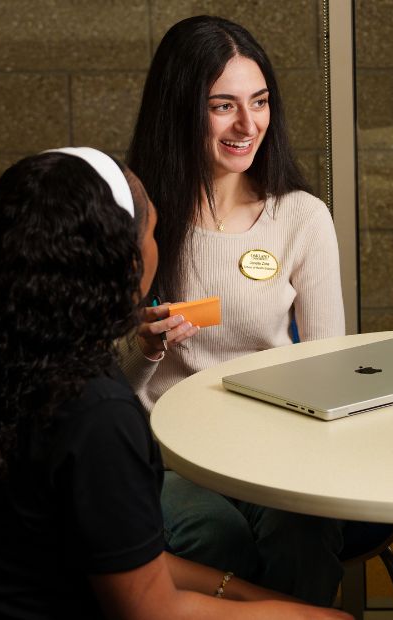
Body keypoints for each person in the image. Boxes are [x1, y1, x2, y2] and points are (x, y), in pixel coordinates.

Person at [0, 148, 348, 620]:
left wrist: (246, 593)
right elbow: (152, 611)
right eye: (153, 232)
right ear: (120, 260)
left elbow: (126, 560)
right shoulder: (97, 414)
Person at [120, 16, 346, 605]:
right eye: (224, 106)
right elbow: (96, 386)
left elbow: (331, 363)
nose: (249, 125)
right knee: (215, 532)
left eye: (260, 102)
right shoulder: (138, 221)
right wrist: (144, 349)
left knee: (303, 523)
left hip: (271, 442)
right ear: (180, 110)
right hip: (165, 451)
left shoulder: (300, 217)